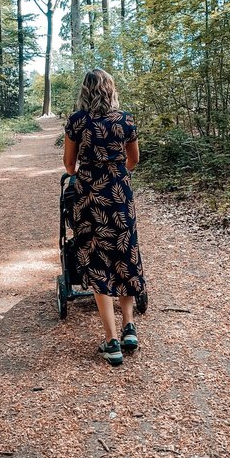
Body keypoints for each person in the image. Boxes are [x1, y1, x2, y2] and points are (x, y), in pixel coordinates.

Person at [63, 68, 145, 366]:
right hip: (120, 197)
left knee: (98, 262)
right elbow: (133, 159)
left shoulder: (76, 122)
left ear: (84, 91)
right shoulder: (125, 120)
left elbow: (70, 167)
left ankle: (111, 341)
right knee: (124, 256)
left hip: (89, 200)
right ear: (111, 89)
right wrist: (115, 173)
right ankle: (129, 327)